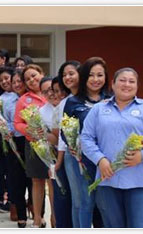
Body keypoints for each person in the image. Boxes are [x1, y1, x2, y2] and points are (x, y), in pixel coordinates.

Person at [81, 67, 143, 228]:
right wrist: (100, 160)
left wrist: (142, 156)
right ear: (112, 84)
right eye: (122, 80)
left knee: (138, 226)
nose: (127, 84)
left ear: (137, 86)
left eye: (131, 81)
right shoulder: (99, 109)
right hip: (107, 180)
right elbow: (86, 138)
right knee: (112, 227)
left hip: (139, 181)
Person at [62, 57, 110, 228]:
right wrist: (73, 146)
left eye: (100, 75)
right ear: (84, 77)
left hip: (106, 160)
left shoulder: (112, 99)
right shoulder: (73, 101)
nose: (96, 79)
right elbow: (64, 130)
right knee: (84, 202)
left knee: (104, 204)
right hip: (80, 159)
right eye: (91, 75)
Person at [0, 68, 31, 227]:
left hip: (30, 141)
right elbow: (3, 121)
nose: (6, 82)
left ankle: (35, 208)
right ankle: (19, 209)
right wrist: (1, 127)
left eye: (10, 79)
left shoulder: (28, 97)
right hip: (12, 141)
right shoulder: (1, 99)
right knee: (15, 178)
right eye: (2, 80)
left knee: (33, 179)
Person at [13, 64, 50, 228]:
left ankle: (55, 218)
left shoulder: (53, 93)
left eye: (34, 75)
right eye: (28, 79)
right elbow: (17, 123)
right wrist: (30, 130)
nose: (32, 80)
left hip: (54, 143)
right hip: (34, 144)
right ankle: (36, 218)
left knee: (53, 182)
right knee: (37, 181)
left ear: (42, 73)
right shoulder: (24, 99)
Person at [55, 60, 81, 228]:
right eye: (64, 75)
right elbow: (62, 136)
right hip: (72, 157)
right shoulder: (66, 102)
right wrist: (59, 161)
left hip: (97, 157)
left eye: (71, 73)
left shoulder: (100, 98)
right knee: (77, 200)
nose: (67, 77)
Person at [37, 76, 61, 228]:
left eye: (52, 90)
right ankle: (55, 219)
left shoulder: (66, 106)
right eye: (45, 92)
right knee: (54, 188)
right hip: (51, 156)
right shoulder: (41, 111)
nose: (50, 94)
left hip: (71, 155)